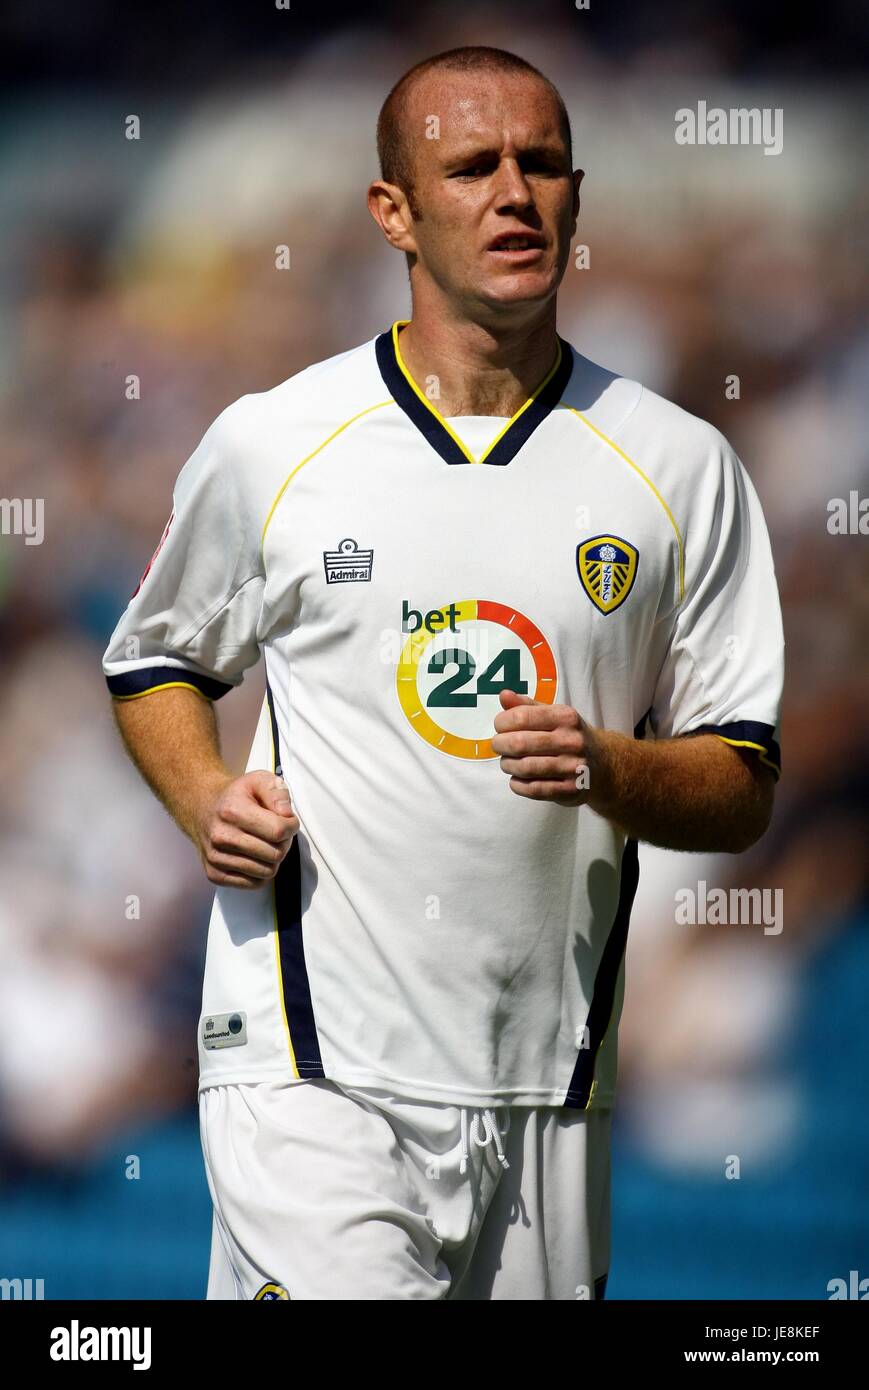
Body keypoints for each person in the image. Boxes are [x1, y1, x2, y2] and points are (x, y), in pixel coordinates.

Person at [102, 45, 784, 1300]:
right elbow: (154, 659)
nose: (513, 193)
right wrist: (204, 796)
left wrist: (607, 765)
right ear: (393, 213)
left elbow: (740, 783)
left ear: (579, 196)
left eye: (541, 164)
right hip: (307, 1066)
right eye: (470, 167)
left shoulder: (678, 467)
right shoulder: (274, 443)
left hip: (548, 1089)